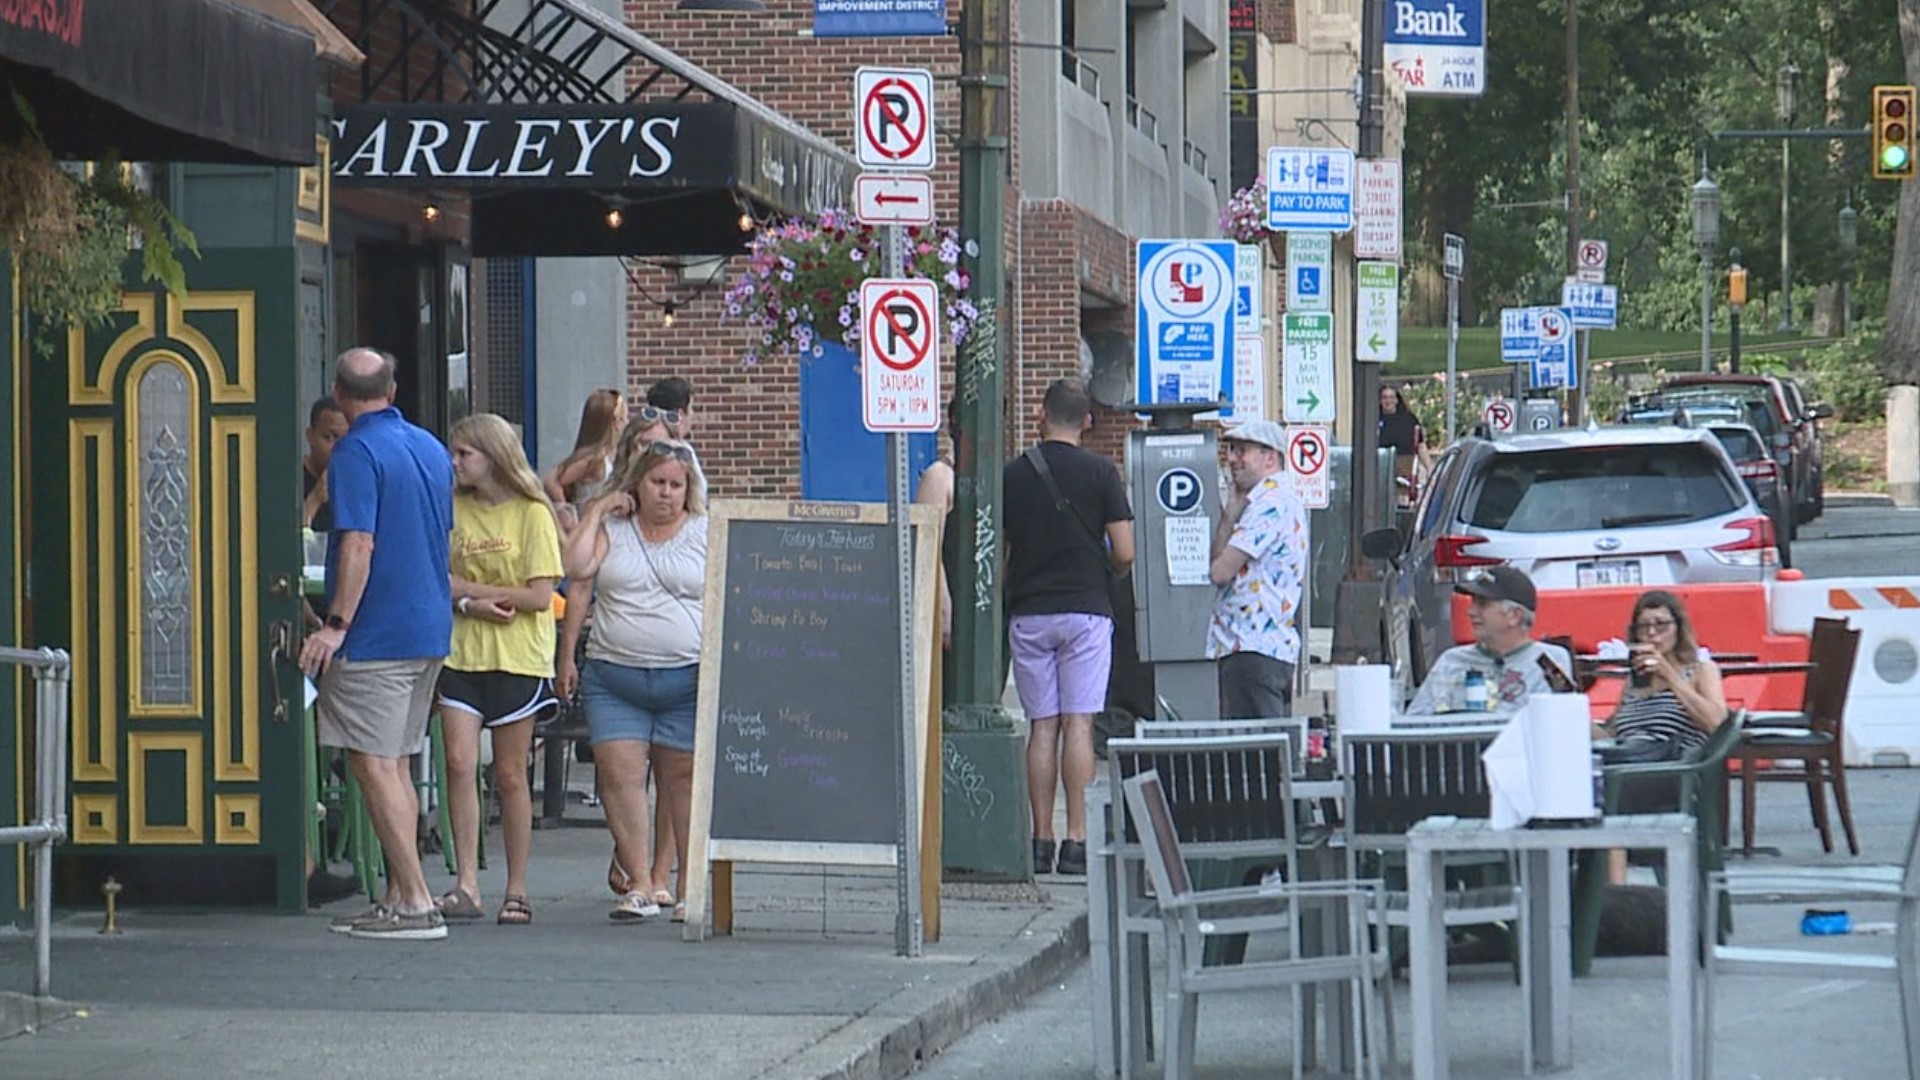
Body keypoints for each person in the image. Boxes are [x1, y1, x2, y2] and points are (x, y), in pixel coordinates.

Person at [298, 347, 454, 941]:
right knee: (396, 763)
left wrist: (335, 623)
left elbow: (358, 544)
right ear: (391, 388)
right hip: (429, 627)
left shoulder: (355, 453)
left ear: (338, 393)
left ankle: (414, 900)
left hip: (378, 631)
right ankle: (396, 893)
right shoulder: (430, 447)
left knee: (370, 761)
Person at [561, 439, 707, 922]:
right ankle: (640, 883)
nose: (666, 493)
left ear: (688, 491)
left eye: (675, 485)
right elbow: (576, 567)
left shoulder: (705, 531)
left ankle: (687, 885)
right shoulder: (614, 529)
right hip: (614, 673)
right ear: (637, 484)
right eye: (657, 482)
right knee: (619, 777)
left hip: (685, 675)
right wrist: (599, 506)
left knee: (682, 780)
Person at [435, 414, 565, 926]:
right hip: (462, 650)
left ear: (492, 455)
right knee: (459, 762)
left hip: (517, 656)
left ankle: (517, 886)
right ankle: (466, 881)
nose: (456, 461)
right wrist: (473, 604)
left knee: (511, 773)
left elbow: (539, 594)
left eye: (466, 453)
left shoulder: (532, 513)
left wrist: (471, 591)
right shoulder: (452, 509)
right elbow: (438, 579)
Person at [1003, 378, 1134, 877]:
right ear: (1087, 421)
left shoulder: (1014, 474)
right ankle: (1076, 840)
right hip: (1085, 612)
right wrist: (1110, 574)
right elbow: (1124, 551)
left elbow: (1000, 554)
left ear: (1040, 413)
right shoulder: (1102, 472)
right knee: (1080, 723)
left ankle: (1041, 838)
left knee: (1043, 726)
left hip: (1031, 612)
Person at [1208, 419, 1310, 718]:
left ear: (1270, 457)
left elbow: (1219, 571)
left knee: (1255, 757)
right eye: (1230, 449)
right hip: (1255, 649)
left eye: (1242, 451)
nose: (1232, 458)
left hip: (1254, 648)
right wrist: (1230, 514)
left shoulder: (1270, 503)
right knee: (1262, 752)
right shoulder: (1261, 502)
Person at [1407, 565, 1575, 715]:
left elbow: (1566, 721)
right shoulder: (1451, 661)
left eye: (1482, 604)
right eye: (1472, 603)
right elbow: (1415, 725)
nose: (1471, 611)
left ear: (1514, 616)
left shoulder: (1549, 661)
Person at [543, 388, 628, 529]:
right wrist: (566, 512)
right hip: (589, 526)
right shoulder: (594, 459)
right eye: (624, 418)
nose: (627, 423)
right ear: (615, 423)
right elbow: (551, 480)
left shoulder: (609, 454)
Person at [1377, 384, 1430, 506]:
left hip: (1405, 464)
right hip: (1381, 465)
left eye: (1391, 397)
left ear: (1397, 400)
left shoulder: (1408, 419)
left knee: (1403, 501)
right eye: (1384, 397)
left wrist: (1429, 468)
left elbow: (1420, 445)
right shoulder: (1374, 418)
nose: (1388, 401)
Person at [302, 397, 349, 532]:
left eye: (345, 439)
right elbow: (285, 539)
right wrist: (316, 498)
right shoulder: (293, 480)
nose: (338, 447)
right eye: (329, 437)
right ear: (310, 436)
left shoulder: (356, 480)